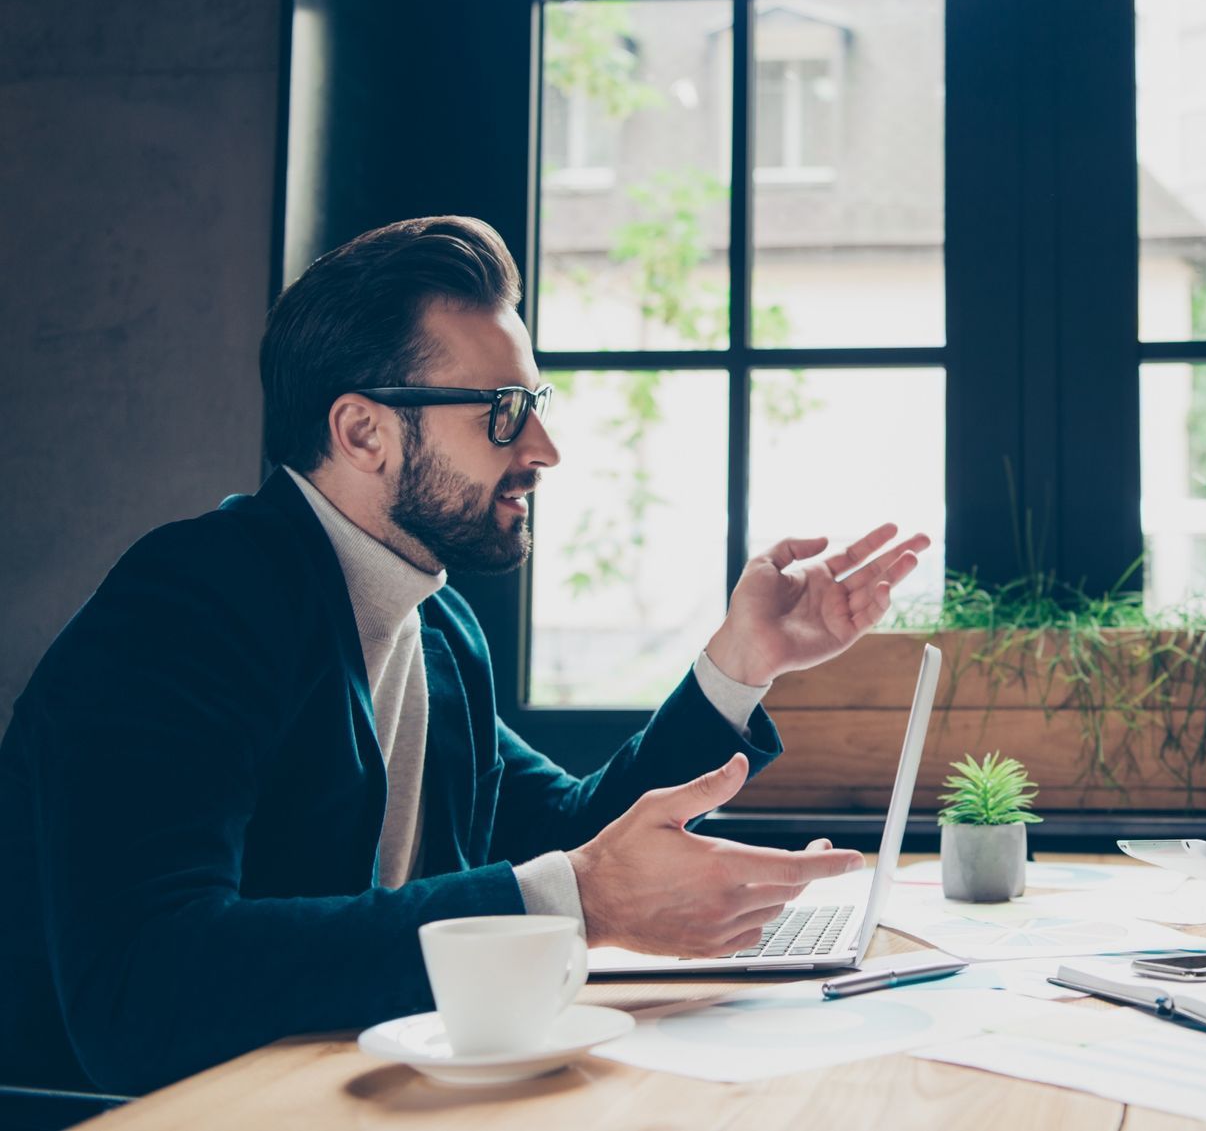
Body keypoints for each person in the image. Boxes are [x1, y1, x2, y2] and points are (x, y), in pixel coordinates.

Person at [0, 216, 928, 1094]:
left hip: (348, 1091)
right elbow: (142, 989)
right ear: (362, 431)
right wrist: (579, 899)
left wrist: (740, 659)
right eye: (503, 410)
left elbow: (570, 835)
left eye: (536, 403)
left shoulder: (437, 630)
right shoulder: (190, 605)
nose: (545, 446)